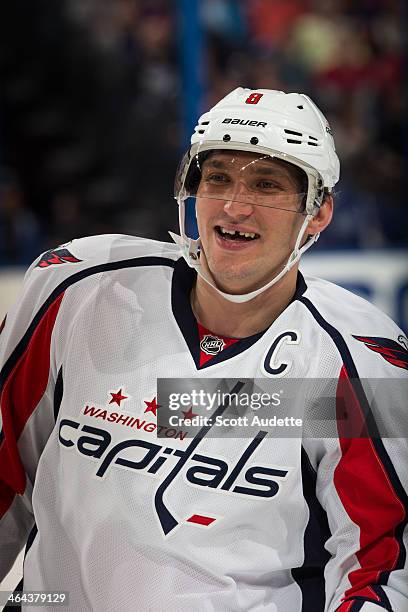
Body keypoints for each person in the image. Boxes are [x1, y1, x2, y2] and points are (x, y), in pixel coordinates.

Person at [0, 88, 407, 612]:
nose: (236, 205)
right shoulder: (80, 290)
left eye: (267, 185)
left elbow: (379, 564)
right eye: (218, 178)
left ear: (317, 213)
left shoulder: (356, 360)